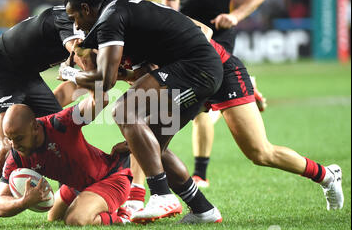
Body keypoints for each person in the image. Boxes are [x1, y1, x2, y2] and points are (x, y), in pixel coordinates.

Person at [122, 35, 344, 216]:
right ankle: (147, 202)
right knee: (147, 135)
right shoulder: (123, 32)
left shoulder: (141, 21)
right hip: (190, 79)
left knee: (260, 153)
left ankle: (327, 175)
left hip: (220, 72)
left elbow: (203, 29)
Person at [61, 0, 225, 224]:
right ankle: (204, 210)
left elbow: (105, 82)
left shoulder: (109, 19)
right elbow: (144, 72)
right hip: (200, 70)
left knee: (124, 111)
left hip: (194, 69)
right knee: (153, 149)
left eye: (74, 17)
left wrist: (69, 73)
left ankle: (161, 195)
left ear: (85, 9)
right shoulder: (121, 11)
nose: (76, 26)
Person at [0, 6, 86, 230]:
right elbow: (83, 66)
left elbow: (74, 79)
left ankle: (72, 200)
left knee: (60, 134)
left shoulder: (84, 26)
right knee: (4, 147)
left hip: (26, 75)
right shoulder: (67, 21)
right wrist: (93, 79)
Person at [162, 0, 268, 188]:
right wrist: (177, 20)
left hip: (218, 37)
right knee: (200, 106)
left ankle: (200, 175)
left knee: (201, 108)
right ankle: (242, 87)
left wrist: (235, 16)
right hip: (187, 40)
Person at [0, 93, 133, 226]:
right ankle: (98, 204)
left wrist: (92, 80)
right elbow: (0, 206)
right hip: (79, 184)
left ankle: (124, 217)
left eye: (19, 138)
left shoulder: (60, 123)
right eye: (9, 139)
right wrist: (24, 201)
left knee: (76, 219)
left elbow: (100, 100)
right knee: (53, 216)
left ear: (35, 127)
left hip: (111, 177)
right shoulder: (17, 154)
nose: (14, 145)